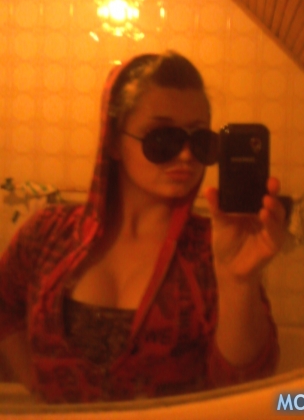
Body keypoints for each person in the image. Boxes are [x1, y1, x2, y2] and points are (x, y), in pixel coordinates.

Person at [0, 51, 287, 403]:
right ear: (113, 141)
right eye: (161, 137)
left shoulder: (212, 248)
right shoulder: (48, 234)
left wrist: (237, 281)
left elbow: (246, 384)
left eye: (199, 139)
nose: (186, 155)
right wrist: (32, 382)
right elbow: (3, 306)